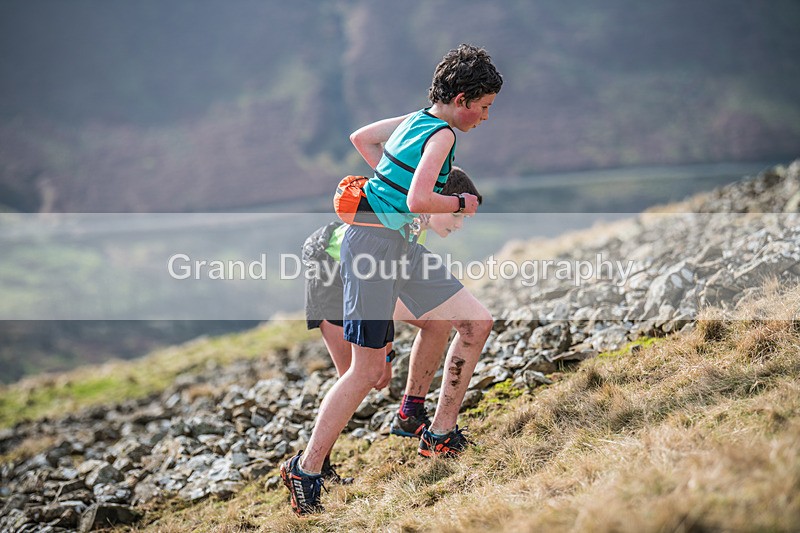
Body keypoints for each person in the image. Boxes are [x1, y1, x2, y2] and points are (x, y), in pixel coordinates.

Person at [282, 44, 502, 516]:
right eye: (483, 108)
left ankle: (438, 433)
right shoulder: (442, 134)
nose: (485, 117)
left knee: (474, 321)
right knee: (366, 372)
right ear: (462, 99)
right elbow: (423, 198)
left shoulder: (415, 121)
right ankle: (307, 469)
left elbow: (363, 139)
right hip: (375, 250)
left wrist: (387, 186)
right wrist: (463, 205)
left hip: (396, 246)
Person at [301, 169, 483, 484]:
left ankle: (410, 412)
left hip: (365, 274)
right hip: (329, 270)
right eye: (456, 215)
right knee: (359, 377)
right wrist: (385, 354)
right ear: (434, 203)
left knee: (435, 323)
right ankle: (316, 467)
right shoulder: (398, 222)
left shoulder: (416, 225)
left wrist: (386, 350)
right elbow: (374, 286)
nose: (459, 225)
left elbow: (390, 286)